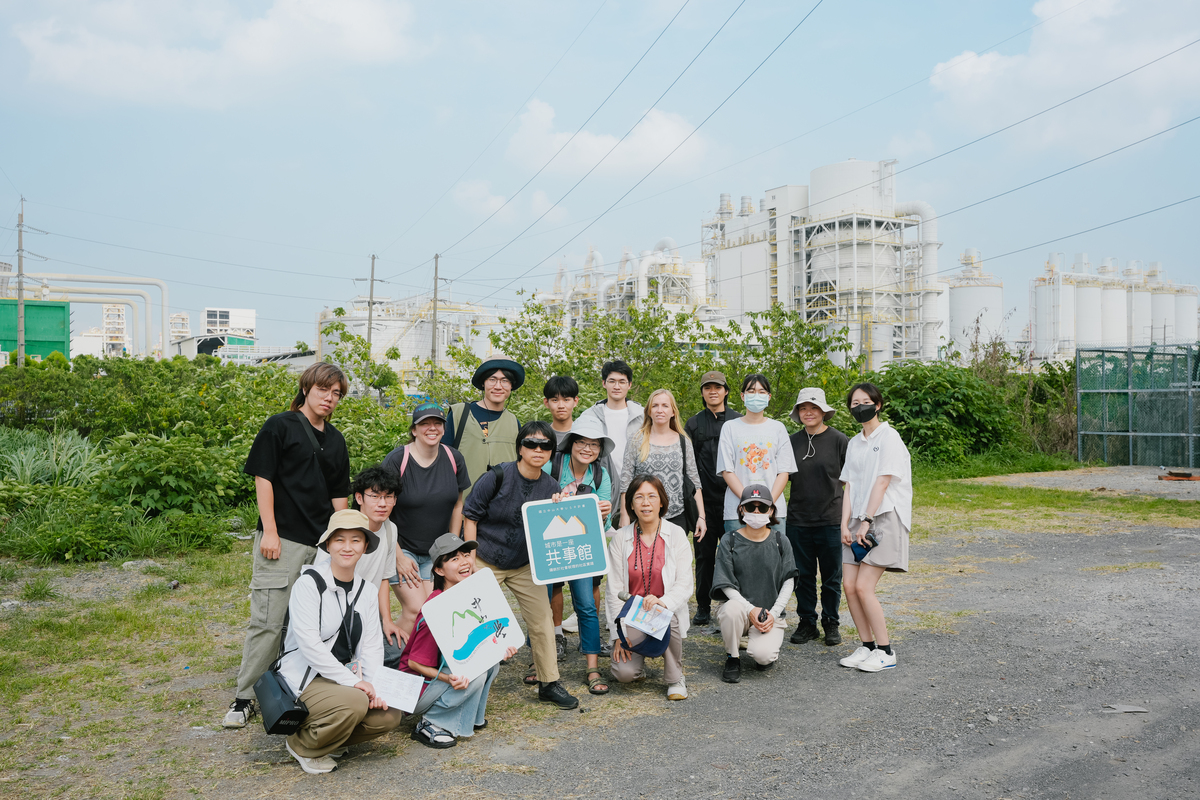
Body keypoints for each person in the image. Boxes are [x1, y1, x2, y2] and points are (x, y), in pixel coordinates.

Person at [224, 363, 351, 729]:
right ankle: (245, 697)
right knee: (269, 619)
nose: (329, 398)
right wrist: (270, 531)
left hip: (321, 543)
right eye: (323, 390)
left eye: (336, 393)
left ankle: (293, 687)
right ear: (306, 388)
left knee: (311, 623)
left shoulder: (336, 440)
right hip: (283, 539)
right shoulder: (280, 426)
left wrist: (340, 540)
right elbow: (263, 478)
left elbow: (339, 496)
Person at [462, 420, 580, 710]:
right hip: (486, 557)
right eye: (531, 443)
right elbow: (471, 516)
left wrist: (560, 505)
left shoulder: (551, 486)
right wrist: (470, 559)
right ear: (520, 448)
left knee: (542, 620)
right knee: (475, 620)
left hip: (524, 563)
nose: (538, 450)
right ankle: (468, 682)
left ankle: (548, 682)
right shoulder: (497, 476)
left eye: (545, 446)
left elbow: (555, 525)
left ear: (551, 452)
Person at [276, 510, 403, 774]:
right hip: (307, 677)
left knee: (390, 715)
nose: (347, 547)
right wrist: (355, 684)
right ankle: (303, 745)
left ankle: (331, 740)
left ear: (365, 547)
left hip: (345, 679)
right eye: (339, 540)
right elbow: (310, 645)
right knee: (356, 702)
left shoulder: (367, 590)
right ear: (328, 545)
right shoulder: (308, 584)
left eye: (356, 540)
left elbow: (371, 646)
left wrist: (372, 686)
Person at [400, 534, 519, 749]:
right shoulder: (435, 610)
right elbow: (414, 663)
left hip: (439, 676)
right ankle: (430, 723)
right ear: (439, 570)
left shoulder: (468, 597)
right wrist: (448, 679)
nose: (464, 562)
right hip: (416, 689)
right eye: (454, 559)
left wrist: (502, 647)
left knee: (489, 662)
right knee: (472, 672)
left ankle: (469, 717)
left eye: (465, 555)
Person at [837, 382, 912, 674]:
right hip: (857, 518)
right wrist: (845, 523)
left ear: (878, 405)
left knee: (864, 587)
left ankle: (886, 650)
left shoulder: (889, 437)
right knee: (849, 586)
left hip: (882, 516)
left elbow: (882, 482)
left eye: (865, 402)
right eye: (854, 404)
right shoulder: (854, 443)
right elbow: (849, 485)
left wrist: (867, 519)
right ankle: (867, 646)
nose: (860, 407)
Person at [382, 402, 470, 642]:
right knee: (416, 610)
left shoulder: (454, 458)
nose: (432, 428)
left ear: (443, 428)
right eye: (425, 424)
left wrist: (451, 547)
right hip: (403, 548)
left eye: (437, 423)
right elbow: (382, 511)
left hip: (437, 552)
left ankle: (416, 659)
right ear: (414, 429)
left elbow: (457, 505)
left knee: (436, 610)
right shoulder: (397, 460)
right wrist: (398, 556)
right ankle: (390, 656)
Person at [605, 474, 694, 700]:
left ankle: (675, 677)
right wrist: (618, 634)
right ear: (631, 504)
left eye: (652, 496)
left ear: (661, 502)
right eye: (639, 497)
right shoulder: (621, 538)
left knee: (666, 614)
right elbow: (613, 590)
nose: (646, 503)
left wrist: (662, 602)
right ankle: (639, 663)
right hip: (632, 616)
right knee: (624, 674)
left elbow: (685, 583)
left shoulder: (676, 534)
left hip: (665, 613)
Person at [542, 414, 613, 694]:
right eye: (581, 442)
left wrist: (604, 514)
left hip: (582, 548)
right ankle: (541, 665)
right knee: (543, 603)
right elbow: (535, 505)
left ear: (600, 450)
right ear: (571, 443)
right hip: (551, 546)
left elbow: (603, 525)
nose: (587, 448)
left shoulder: (600, 474)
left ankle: (592, 667)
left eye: (594, 444)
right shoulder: (551, 467)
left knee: (586, 605)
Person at [312, 466, 405, 662]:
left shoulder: (390, 530)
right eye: (375, 496)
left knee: (399, 650)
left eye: (389, 497)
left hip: (366, 615)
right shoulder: (339, 532)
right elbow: (317, 583)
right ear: (359, 498)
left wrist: (387, 621)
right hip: (334, 617)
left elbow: (383, 578)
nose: (382, 504)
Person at [712, 484, 799, 684]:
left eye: (763, 507)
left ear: (772, 511)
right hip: (740, 612)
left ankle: (757, 639)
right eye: (751, 507)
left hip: (769, 614)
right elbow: (725, 584)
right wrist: (750, 609)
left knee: (763, 657)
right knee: (731, 610)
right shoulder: (729, 540)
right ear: (741, 509)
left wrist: (773, 614)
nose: (757, 512)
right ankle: (732, 657)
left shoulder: (781, 541)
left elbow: (789, 581)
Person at [785, 388, 849, 647]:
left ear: (824, 411)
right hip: (798, 519)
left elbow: (850, 480)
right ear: (798, 413)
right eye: (803, 408)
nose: (808, 412)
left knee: (832, 577)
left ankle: (831, 622)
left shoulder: (839, 440)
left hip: (831, 518)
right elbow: (781, 476)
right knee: (803, 575)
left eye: (813, 408)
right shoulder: (791, 442)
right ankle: (807, 622)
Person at [684, 371, 742, 627]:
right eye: (707, 387)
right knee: (704, 556)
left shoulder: (738, 421)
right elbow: (688, 465)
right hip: (704, 503)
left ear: (726, 391)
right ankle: (703, 606)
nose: (713, 391)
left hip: (735, 501)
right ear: (702, 392)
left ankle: (736, 603)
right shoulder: (694, 424)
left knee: (736, 555)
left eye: (717, 387)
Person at [617, 388, 705, 540]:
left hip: (676, 516)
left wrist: (701, 516)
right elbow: (626, 479)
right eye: (655, 406)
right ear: (649, 411)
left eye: (665, 406)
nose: (660, 410)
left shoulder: (683, 441)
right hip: (643, 514)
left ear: (673, 412)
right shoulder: (636, 439)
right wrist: (624, 515)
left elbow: (694, 481)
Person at [717, 374, 796, 538]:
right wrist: (748, 503)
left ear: (769, 397)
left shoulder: (778, 428)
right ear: (742, 396)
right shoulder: (730, 427)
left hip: (773, 511)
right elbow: (727, 470)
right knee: (737, 553)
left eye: (761, 391)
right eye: (751, 391)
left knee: (774, 553)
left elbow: (784, 471)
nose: (756, 395)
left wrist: (767, 503)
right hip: (738, 510)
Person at [444, 358, 524, 499]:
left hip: (502, 504)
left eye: (505, 380)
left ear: (511, 385)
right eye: (492, 379)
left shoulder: (514, 422)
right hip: (461, 504)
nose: (498, 386)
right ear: (483, 383)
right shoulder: (459, 414)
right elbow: (441, 459)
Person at [577, 359, 643, 524]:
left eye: (622, 381)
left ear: (629, 385)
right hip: (601, 485)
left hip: (637, 484)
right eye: (612, 381)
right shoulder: (589, 415)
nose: (617, 386)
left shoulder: (643, 415)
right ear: (604, 383)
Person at [543, 375, 580, 447]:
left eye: (566, 400)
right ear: (546, 403)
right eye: (555, 400)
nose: (561, 406)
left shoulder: (585, 434)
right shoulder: (540, 435)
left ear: (575, 401)